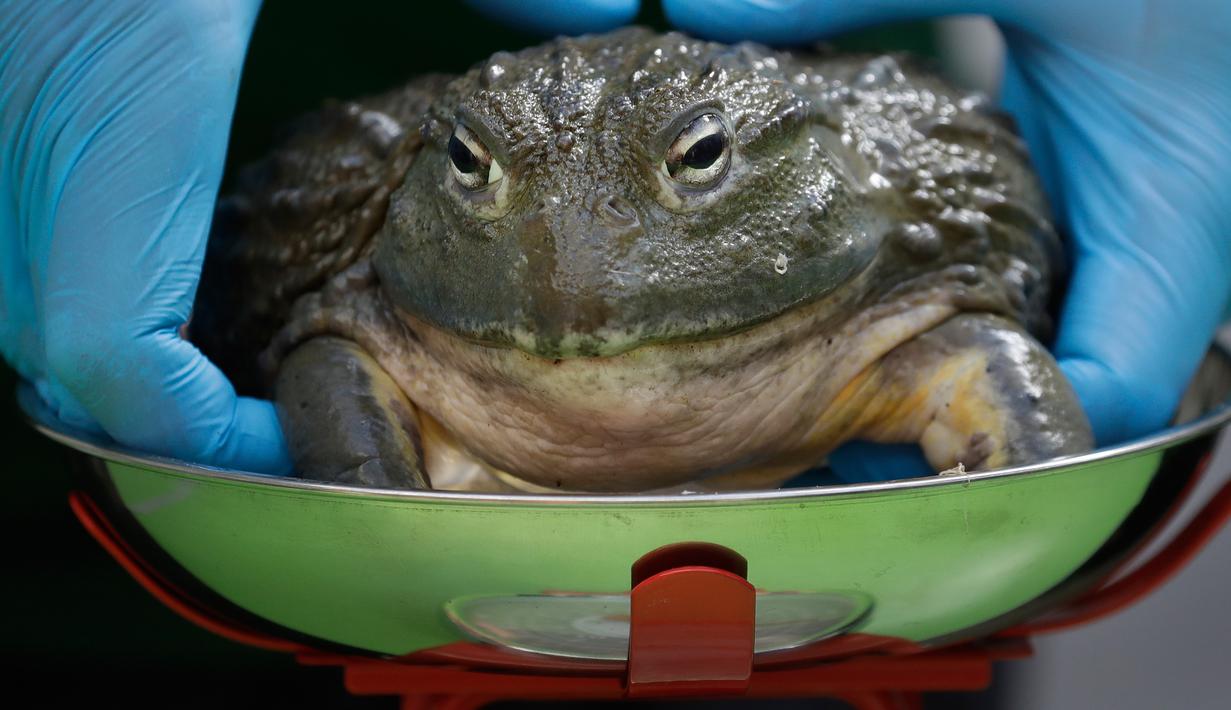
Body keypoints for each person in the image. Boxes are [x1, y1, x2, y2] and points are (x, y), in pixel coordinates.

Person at [2, 0, 1227, 477]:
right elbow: (331, 354)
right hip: (203, 125)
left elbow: (992, 373)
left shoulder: (896, 292)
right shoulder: (387, 273)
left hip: (812, 99)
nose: (579, 275)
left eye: (694, 171)